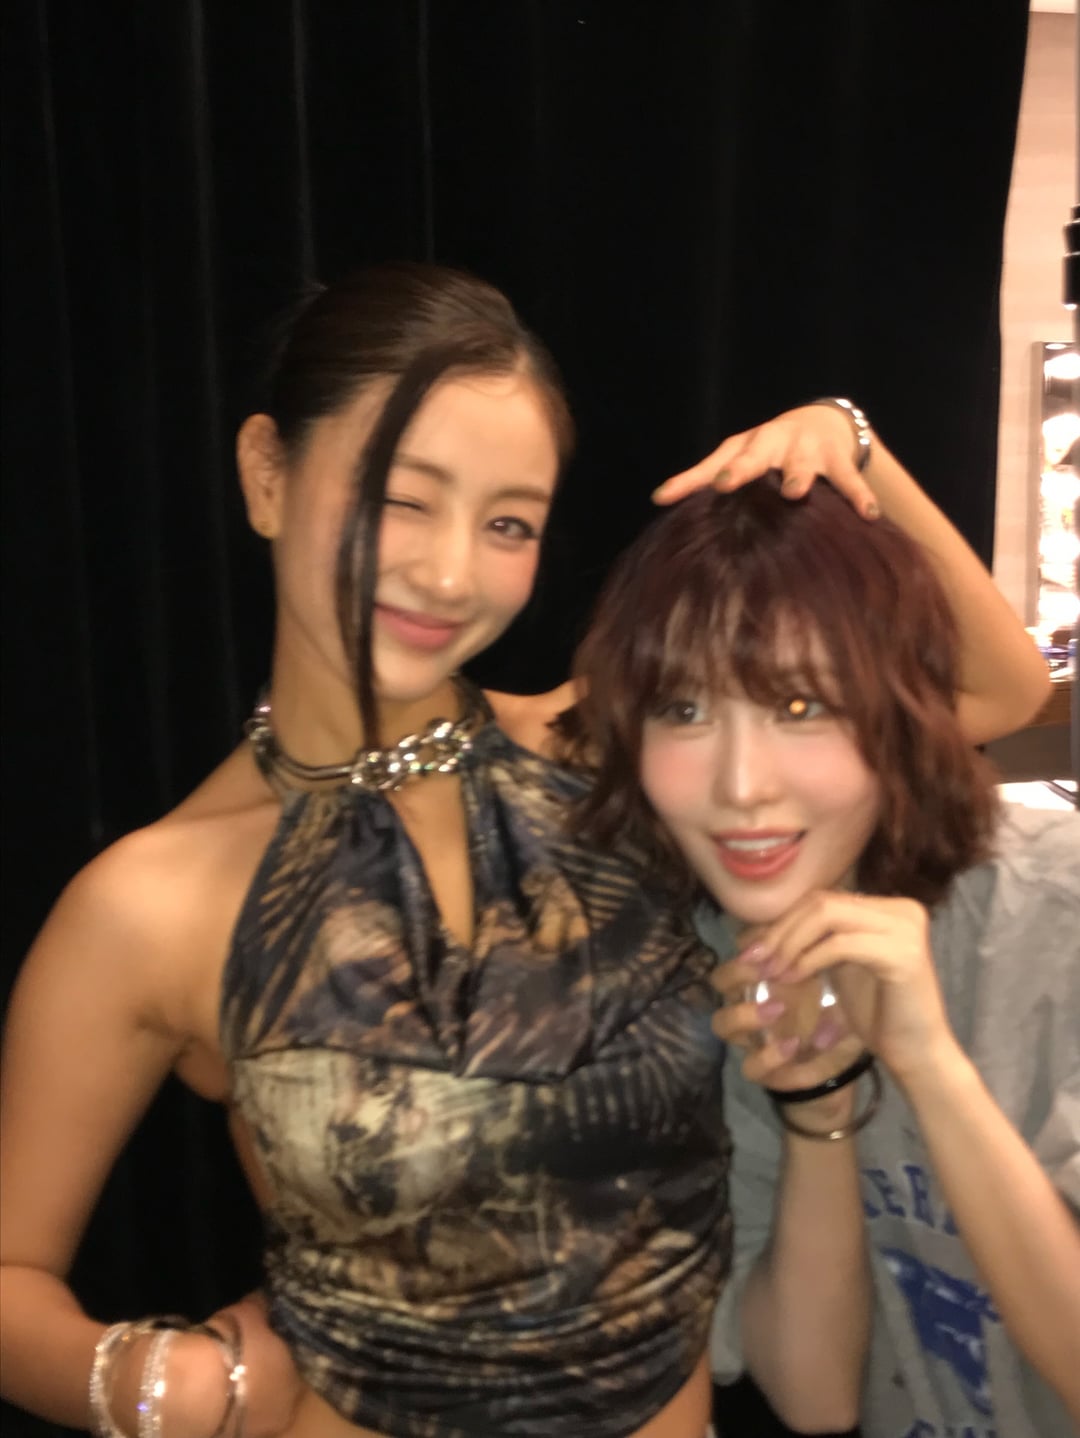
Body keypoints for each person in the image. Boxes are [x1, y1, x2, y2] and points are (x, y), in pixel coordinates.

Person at [0, 263, 1049, 1438]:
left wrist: (848, 446)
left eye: (508, 523)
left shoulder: (597, 753)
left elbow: (995, 691)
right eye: (402, 498)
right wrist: (148, 1383)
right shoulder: (149, 903)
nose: (450, 573)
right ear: (267, 475)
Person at [570, 475, 1080, 1437]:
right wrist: (818, 1112)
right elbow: (814, 1395)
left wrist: (930, 1065)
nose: (740, 786)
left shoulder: (1057, 912)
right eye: (682, 710)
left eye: (801, 704)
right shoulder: (715, 964)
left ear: (902, 707)